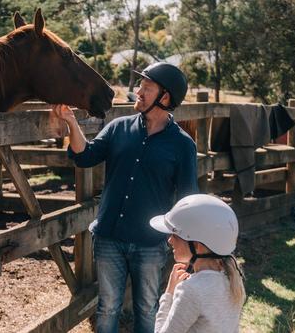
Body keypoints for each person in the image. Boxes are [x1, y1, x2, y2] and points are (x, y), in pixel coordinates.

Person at [52, 62, 198, 333]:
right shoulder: (118, 128)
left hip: (151, 244)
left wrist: (187, 249)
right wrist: (71, 121)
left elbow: (188, 199)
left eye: (147, 87)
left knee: (147, 309)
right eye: (140, 86)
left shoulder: (183, 146)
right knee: (107, 307)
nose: (138, 92)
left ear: (165, 97)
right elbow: (85, 156)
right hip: (108, 236)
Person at [149, 194, 246, 333]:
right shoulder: (231, 278)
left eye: (175, 235)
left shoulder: (190, 290)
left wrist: (169, 293)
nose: (170, 240)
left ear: (197, 246)